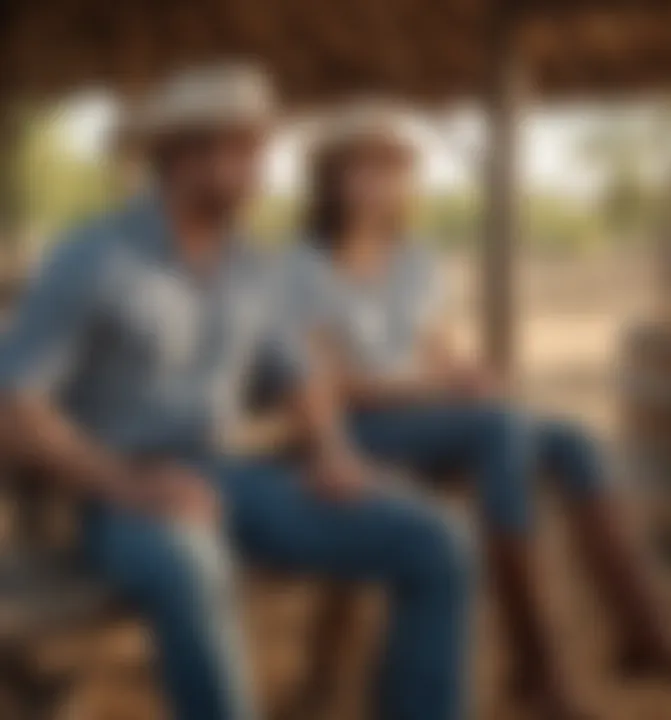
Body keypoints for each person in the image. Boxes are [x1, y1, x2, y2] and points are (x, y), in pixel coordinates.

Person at [0, 70, 475, 720]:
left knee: (436, 540)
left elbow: (300, 376)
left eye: (263, 151)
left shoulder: (255, 266)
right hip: (120, 490)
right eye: (246, 152)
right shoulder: (92, 257)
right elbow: (15, 406)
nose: (263, 171)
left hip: (234, 476)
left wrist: (334, 454)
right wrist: (128, 486)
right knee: (191, 566)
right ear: (187, 156)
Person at [280, 103, 671, 720]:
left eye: (392, 171)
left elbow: (434, 344)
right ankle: (535, 669)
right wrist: (430, 385)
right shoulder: (301, 269)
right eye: (362, 170)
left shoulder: (414, 259)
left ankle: (643, 637)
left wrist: (464, 371)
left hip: (432, 414)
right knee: (502, 427)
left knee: (574, 441)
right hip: (360, 430)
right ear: (329, 181)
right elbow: (326, 384)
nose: (379, 185)